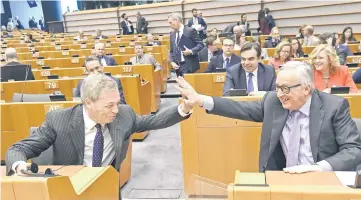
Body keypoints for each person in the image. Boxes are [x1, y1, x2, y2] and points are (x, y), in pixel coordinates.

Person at [5, 73, 193, 200]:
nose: (116, 110)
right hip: (69, 190)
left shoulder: (124, 115)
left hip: (106, 188)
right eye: (109, 105)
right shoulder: (59, 120)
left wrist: (184, 108)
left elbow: (154, 121)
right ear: (88, 102)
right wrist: (19, 165)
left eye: (117, 103)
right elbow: (18, 149)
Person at [175, 61, 361, 173]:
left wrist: (319, 167)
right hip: (281, 178)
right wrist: (201, 99)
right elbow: (240, 108)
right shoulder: (273, 101)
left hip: (322, 179)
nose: (280, 94)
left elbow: (353, 149)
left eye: (286, 89)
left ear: (306, 88)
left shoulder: (334, 107)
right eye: (278, 87)